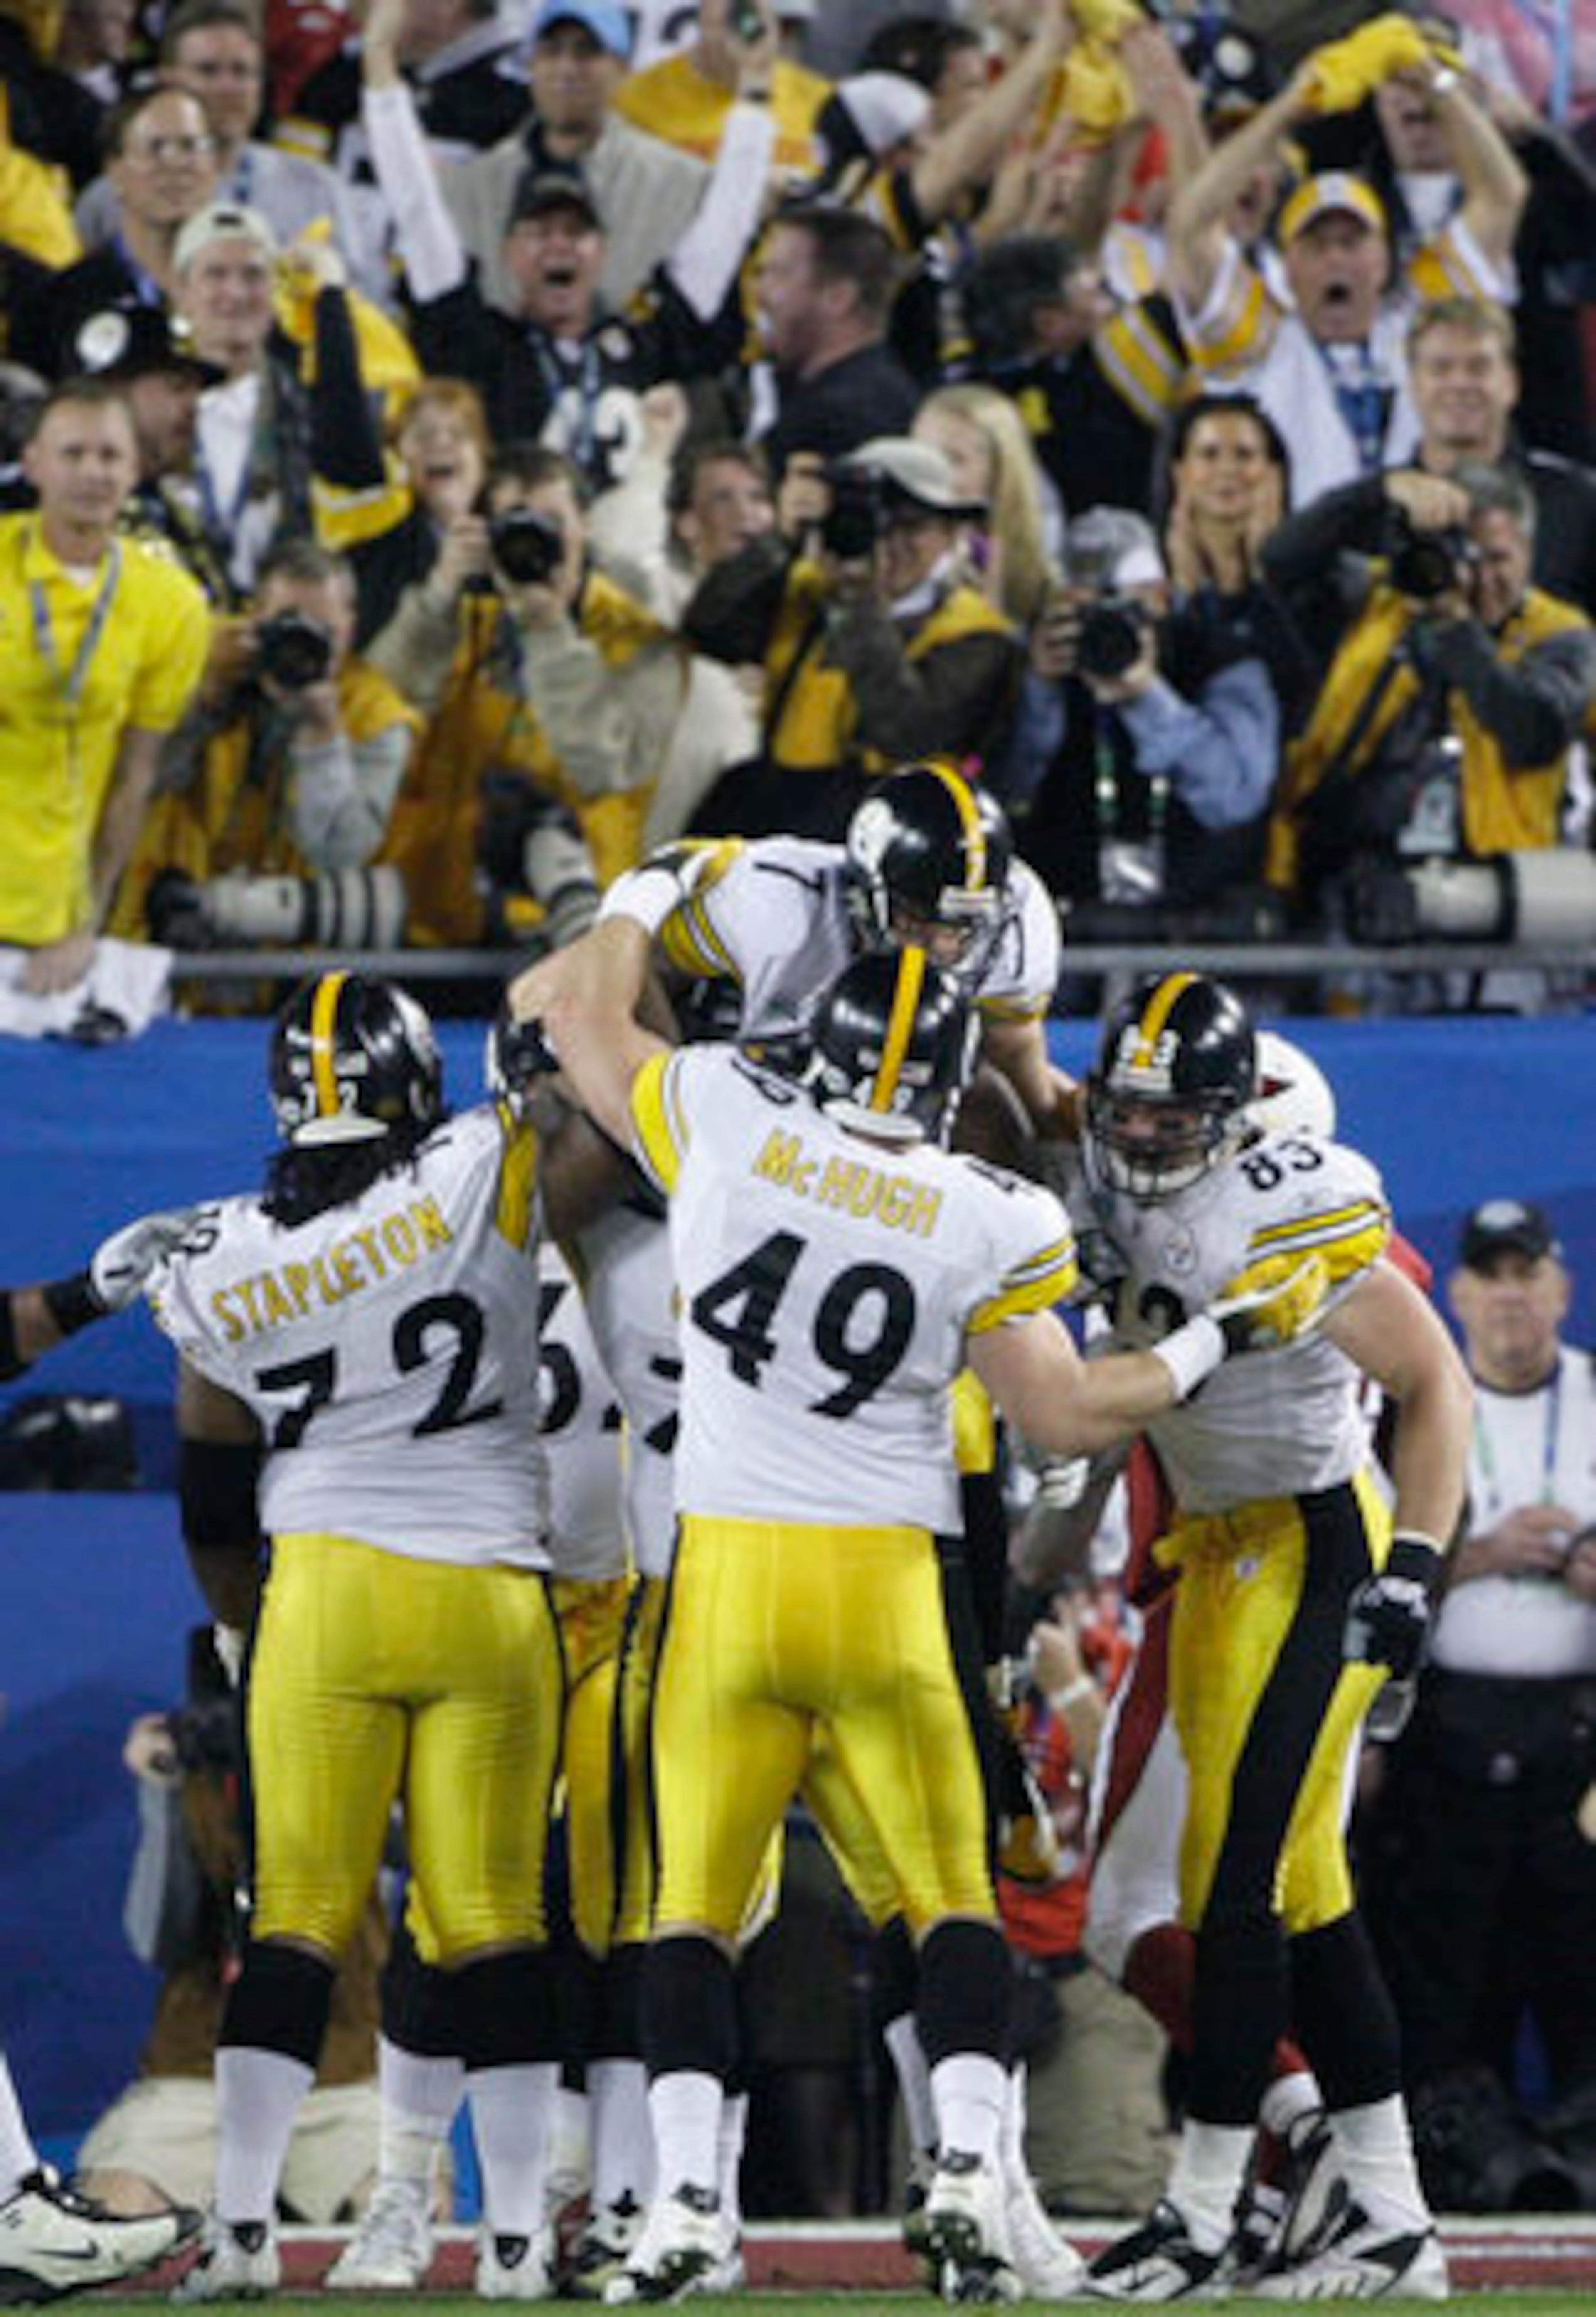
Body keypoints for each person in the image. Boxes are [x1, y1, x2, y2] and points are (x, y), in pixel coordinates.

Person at [533, 942, 1332, 2302]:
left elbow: (573, 1009)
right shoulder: (990, 1209)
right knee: (951, 1895)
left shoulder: (724, 1103)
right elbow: (1065, 1416)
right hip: (888, 1584)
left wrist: (651, 900)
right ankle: (965, 2163)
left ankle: (675, 2201)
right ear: (949, 1077)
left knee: (692, 1910)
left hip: (725, 1580)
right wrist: (1216, 1340)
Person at [150, 971, 573, 2301]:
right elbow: (597, 1138)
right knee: (495, 1925)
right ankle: (507, 2241)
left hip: (323, 1590)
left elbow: (214, 1498)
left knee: (292, 1923)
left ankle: (239, 2234)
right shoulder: (483, 1161)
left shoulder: (222, 1253)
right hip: (487, 1592)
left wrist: (239, 1633)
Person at [1069, 971, 1473, 2301]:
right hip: (1220, 1553)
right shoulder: (1082, 1176)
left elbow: (1431, 1382)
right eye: (1124, 1114)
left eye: (1167, 1121)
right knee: (1300, 1895)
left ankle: (1198, 2210)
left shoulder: (1282, 1203)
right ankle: (1392, 2216)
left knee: (1233, 1887)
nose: (1136, 1143)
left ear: (1235, 1119)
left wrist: (1412, 1566)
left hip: (1316, 1545)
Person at [1361, 1198, 1596, 2212]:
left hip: (1576, 1737)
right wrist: (1474, 1556)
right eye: (1488, 1277)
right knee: (1446, 1973)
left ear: (1560, 1288)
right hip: (1442, 1734)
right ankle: (1457, 2167)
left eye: (1525, 1275)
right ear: (1455, 1294)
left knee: (1580, 1962)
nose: (1507, 1297)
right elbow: (1361, 1572)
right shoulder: (1413, 1399)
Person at [516, 760, 1076, 1142]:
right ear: (863, 894)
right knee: (611, 1139)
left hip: (842, 1118)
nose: (944, 945)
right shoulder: (779, 909)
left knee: (992, 1107)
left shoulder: (1018, 931)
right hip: (727, 1081)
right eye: (917, 919)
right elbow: (638, 940)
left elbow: (1026, 1076)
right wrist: (664, 1078)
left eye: (964, 925)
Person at [1166, 15, 1526, 506]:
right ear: (1286, 266)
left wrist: (1431, 80)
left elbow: (1504, 194)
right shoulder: (1260, 340)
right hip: (1301, 563)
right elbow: (1190, 223)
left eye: (1353, 242)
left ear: (1383, 259)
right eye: (1317, 245)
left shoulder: (1423, 318)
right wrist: (1289, 109)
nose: (1337, 259)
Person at [1261, 458, 1596, 939]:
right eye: (1466, 558)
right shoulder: (1381, 598)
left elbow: (1533, 733)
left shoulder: (1561, 635)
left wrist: (1453, 627)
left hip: (1503, 907)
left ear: (1529, 551)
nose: (1477, 581)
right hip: (1361, 895)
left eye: (1498, 559)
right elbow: (1279, 561)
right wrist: (1379, 491)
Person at [683, 438, 1022, 839]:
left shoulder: (979, 634)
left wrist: (860, 602)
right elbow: (707, 627)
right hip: (779, 817)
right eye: (875, 525)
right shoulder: (805, 589)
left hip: (898, 834)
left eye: (911, 526)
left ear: (951, 535)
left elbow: (906, 733)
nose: (887, 544)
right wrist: (782, 540)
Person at [109, 537, 421, 954]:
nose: (303, 643)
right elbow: (134, 782)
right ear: (254, 615)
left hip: (295, 953)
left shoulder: (374, 711)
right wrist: (206, 699)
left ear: (351, 625)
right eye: (288, 623)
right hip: (160, 927)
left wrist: (323, 734)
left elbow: (340, 853)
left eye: (324, 632)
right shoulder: (199, 656)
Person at [0, 377, 209, 996]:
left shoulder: (173, 603)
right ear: (33, 463)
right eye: (73, 454)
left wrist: (86, 923)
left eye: (110, 456)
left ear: (137, 468)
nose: (93, 472)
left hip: (54, 916)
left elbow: (134, 776)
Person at [433, 0, 712, 323]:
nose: (566, 68)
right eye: (551, 52)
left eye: (586, 52)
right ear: (532, 65)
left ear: (622, 68)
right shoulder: (470, 189)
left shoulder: (682, 185)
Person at [1390, 296, 1596, 619]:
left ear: (1511, 383)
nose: (1459, 384)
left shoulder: (1579, 504)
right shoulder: (1379, 507)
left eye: (1479, 367)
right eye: (1441, 369)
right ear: (1414, 386)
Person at [11, 85, 222, 378]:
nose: (175, 165)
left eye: (190, 147)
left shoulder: (255, 297)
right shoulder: (54, 306)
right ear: (115, 171)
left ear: (215, 166)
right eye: (156, 148)